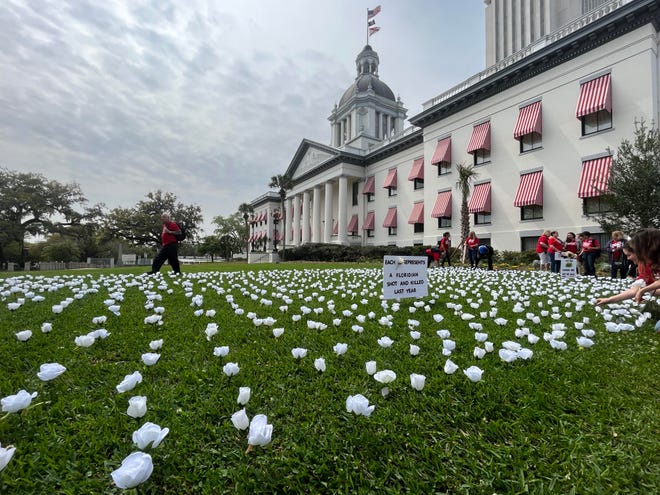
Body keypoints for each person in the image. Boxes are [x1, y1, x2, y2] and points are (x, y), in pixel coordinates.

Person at [596, 229, 660, 309]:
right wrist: (609, 300)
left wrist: (644, 290)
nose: (628, 258)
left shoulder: (651, 261)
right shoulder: (643, 266)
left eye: (629, 255)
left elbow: (645, 289)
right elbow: (635, 290)